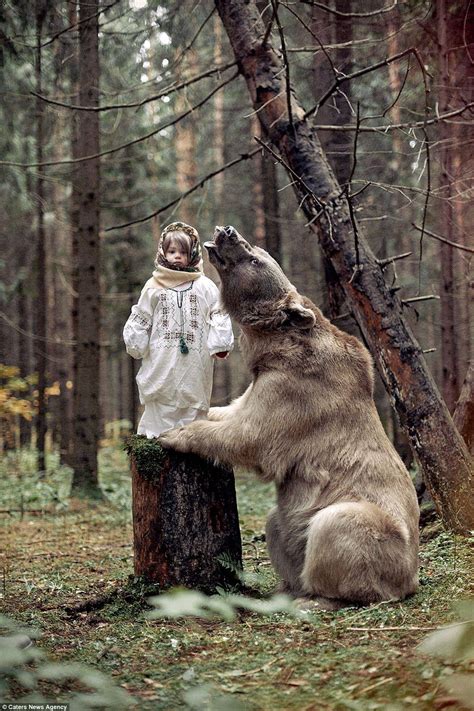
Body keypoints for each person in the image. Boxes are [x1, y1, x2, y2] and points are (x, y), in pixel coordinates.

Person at [123, 221, 234, 438]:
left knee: (192, 401)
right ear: (163, 253)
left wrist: (220, 343)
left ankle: (192, 441)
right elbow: (141, 317)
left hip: (195, 359)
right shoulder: (153, 286)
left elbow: (218, 312)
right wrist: (136, 342)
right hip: (160, 358)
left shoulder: (205, 286)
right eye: (172, 251)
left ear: (191, 254)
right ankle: (157, 441)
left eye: (182, 252)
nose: (177, 256)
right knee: (160, 398)